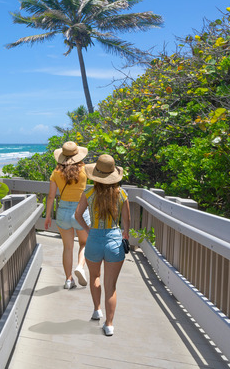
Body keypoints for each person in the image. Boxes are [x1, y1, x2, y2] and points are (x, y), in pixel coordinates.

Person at [75, 154, 130, 337]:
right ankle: (109, 324)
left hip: (94, 240)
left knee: (94, 276)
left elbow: (77, 215)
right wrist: (125, 235)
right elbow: (127, 222)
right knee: (111, 286)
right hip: (114, 240)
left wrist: (89, 229)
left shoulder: (89, 194)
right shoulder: (122, 194)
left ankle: (97, 309)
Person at [44, 141, 91, 290]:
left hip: (63, 211)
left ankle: (68, 280)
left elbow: (51, 197)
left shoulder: (56, 173)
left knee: (67, 247)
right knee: (84, 243)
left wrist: (48, 216)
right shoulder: (85, 170)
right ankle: (80, 266)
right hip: (81, 211)